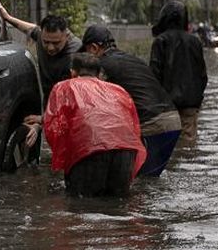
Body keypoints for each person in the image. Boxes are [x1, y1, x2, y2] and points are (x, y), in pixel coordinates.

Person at [34, 53, 147, 196]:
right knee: (119, 205)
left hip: (88, 150)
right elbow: (134, 126)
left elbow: (54, 127)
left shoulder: (63, 87)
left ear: (72, 73)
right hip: (126, 151)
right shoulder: (119, 90)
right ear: (99, 74)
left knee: (83, 207)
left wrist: (63, 160)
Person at [81, 25, 182, 177]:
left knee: (138, 181)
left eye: (87, 52)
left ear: (94, 48)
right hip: (172, 120)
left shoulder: (103, 66)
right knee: (150, 180)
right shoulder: (131, 59)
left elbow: (93, 101)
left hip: (151, 125)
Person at [149, 0, 208, 147]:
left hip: (166, 107)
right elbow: (202, 75)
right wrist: (197, 101)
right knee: (188, 147)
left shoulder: (160, 41)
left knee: (168, 148)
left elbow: (153, 76)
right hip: (189, 106)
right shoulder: (195, 42)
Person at [0, 4, 82, 97]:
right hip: (47, 96)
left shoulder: (77, 51)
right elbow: (29, 28)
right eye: (46, 42)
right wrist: (8, 18)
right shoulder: (40, 35)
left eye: (56, 43)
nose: (50, 48)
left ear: (67, 36)